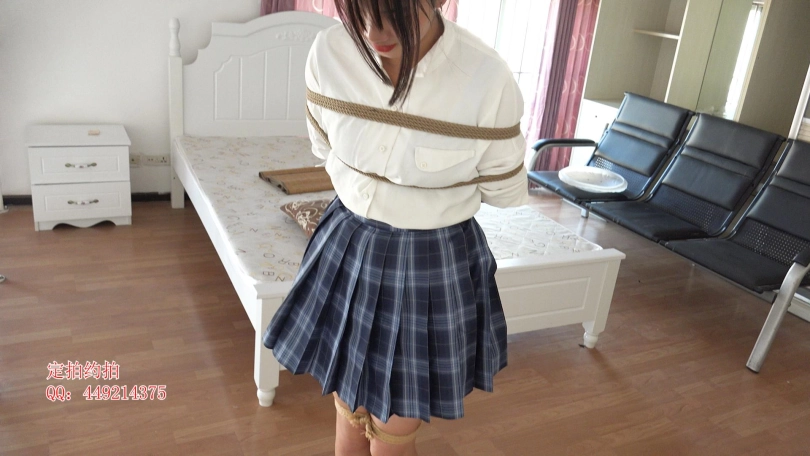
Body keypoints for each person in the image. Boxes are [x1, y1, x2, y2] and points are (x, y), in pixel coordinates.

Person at [263, 0, 528, 454]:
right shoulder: (329, 52)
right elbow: (323, 147)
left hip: (429, 262)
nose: (373, 31)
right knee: (348, 418)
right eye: (358, 9)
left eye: (394, 9)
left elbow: (505, 191)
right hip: (347, 246)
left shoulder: (487, 78)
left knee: (392, 438)